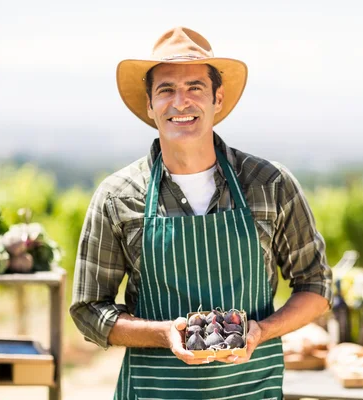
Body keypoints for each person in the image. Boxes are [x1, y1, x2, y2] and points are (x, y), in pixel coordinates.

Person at [70, 26, 333, 400]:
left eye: (195, 87)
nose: (181, 102)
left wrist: (262, 330)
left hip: (251, 390)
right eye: (166, 90)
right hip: (154, 392)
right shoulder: (117, 196)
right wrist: (164, 334)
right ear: (149, 104)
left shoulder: (270, 184)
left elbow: (316, 286)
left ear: (217, 99)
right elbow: (87, 309)